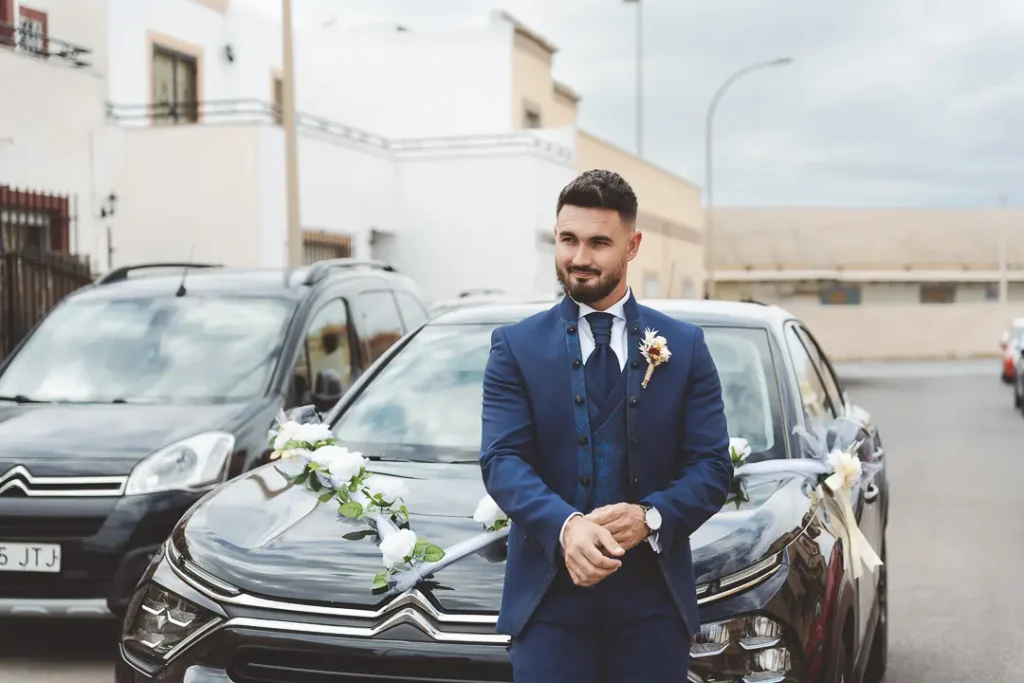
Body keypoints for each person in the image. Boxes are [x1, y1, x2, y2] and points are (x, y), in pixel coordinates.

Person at [479, 169, 733, 682]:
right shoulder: (514, 347)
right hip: (549, 606)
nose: (579, 258)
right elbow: (502, 461)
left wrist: (652, 518)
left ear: (632, 245)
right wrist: (565, 527)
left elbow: (711, 467)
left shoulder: (683, 347)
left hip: (653, 606)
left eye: (598, 242)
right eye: (568, 240)